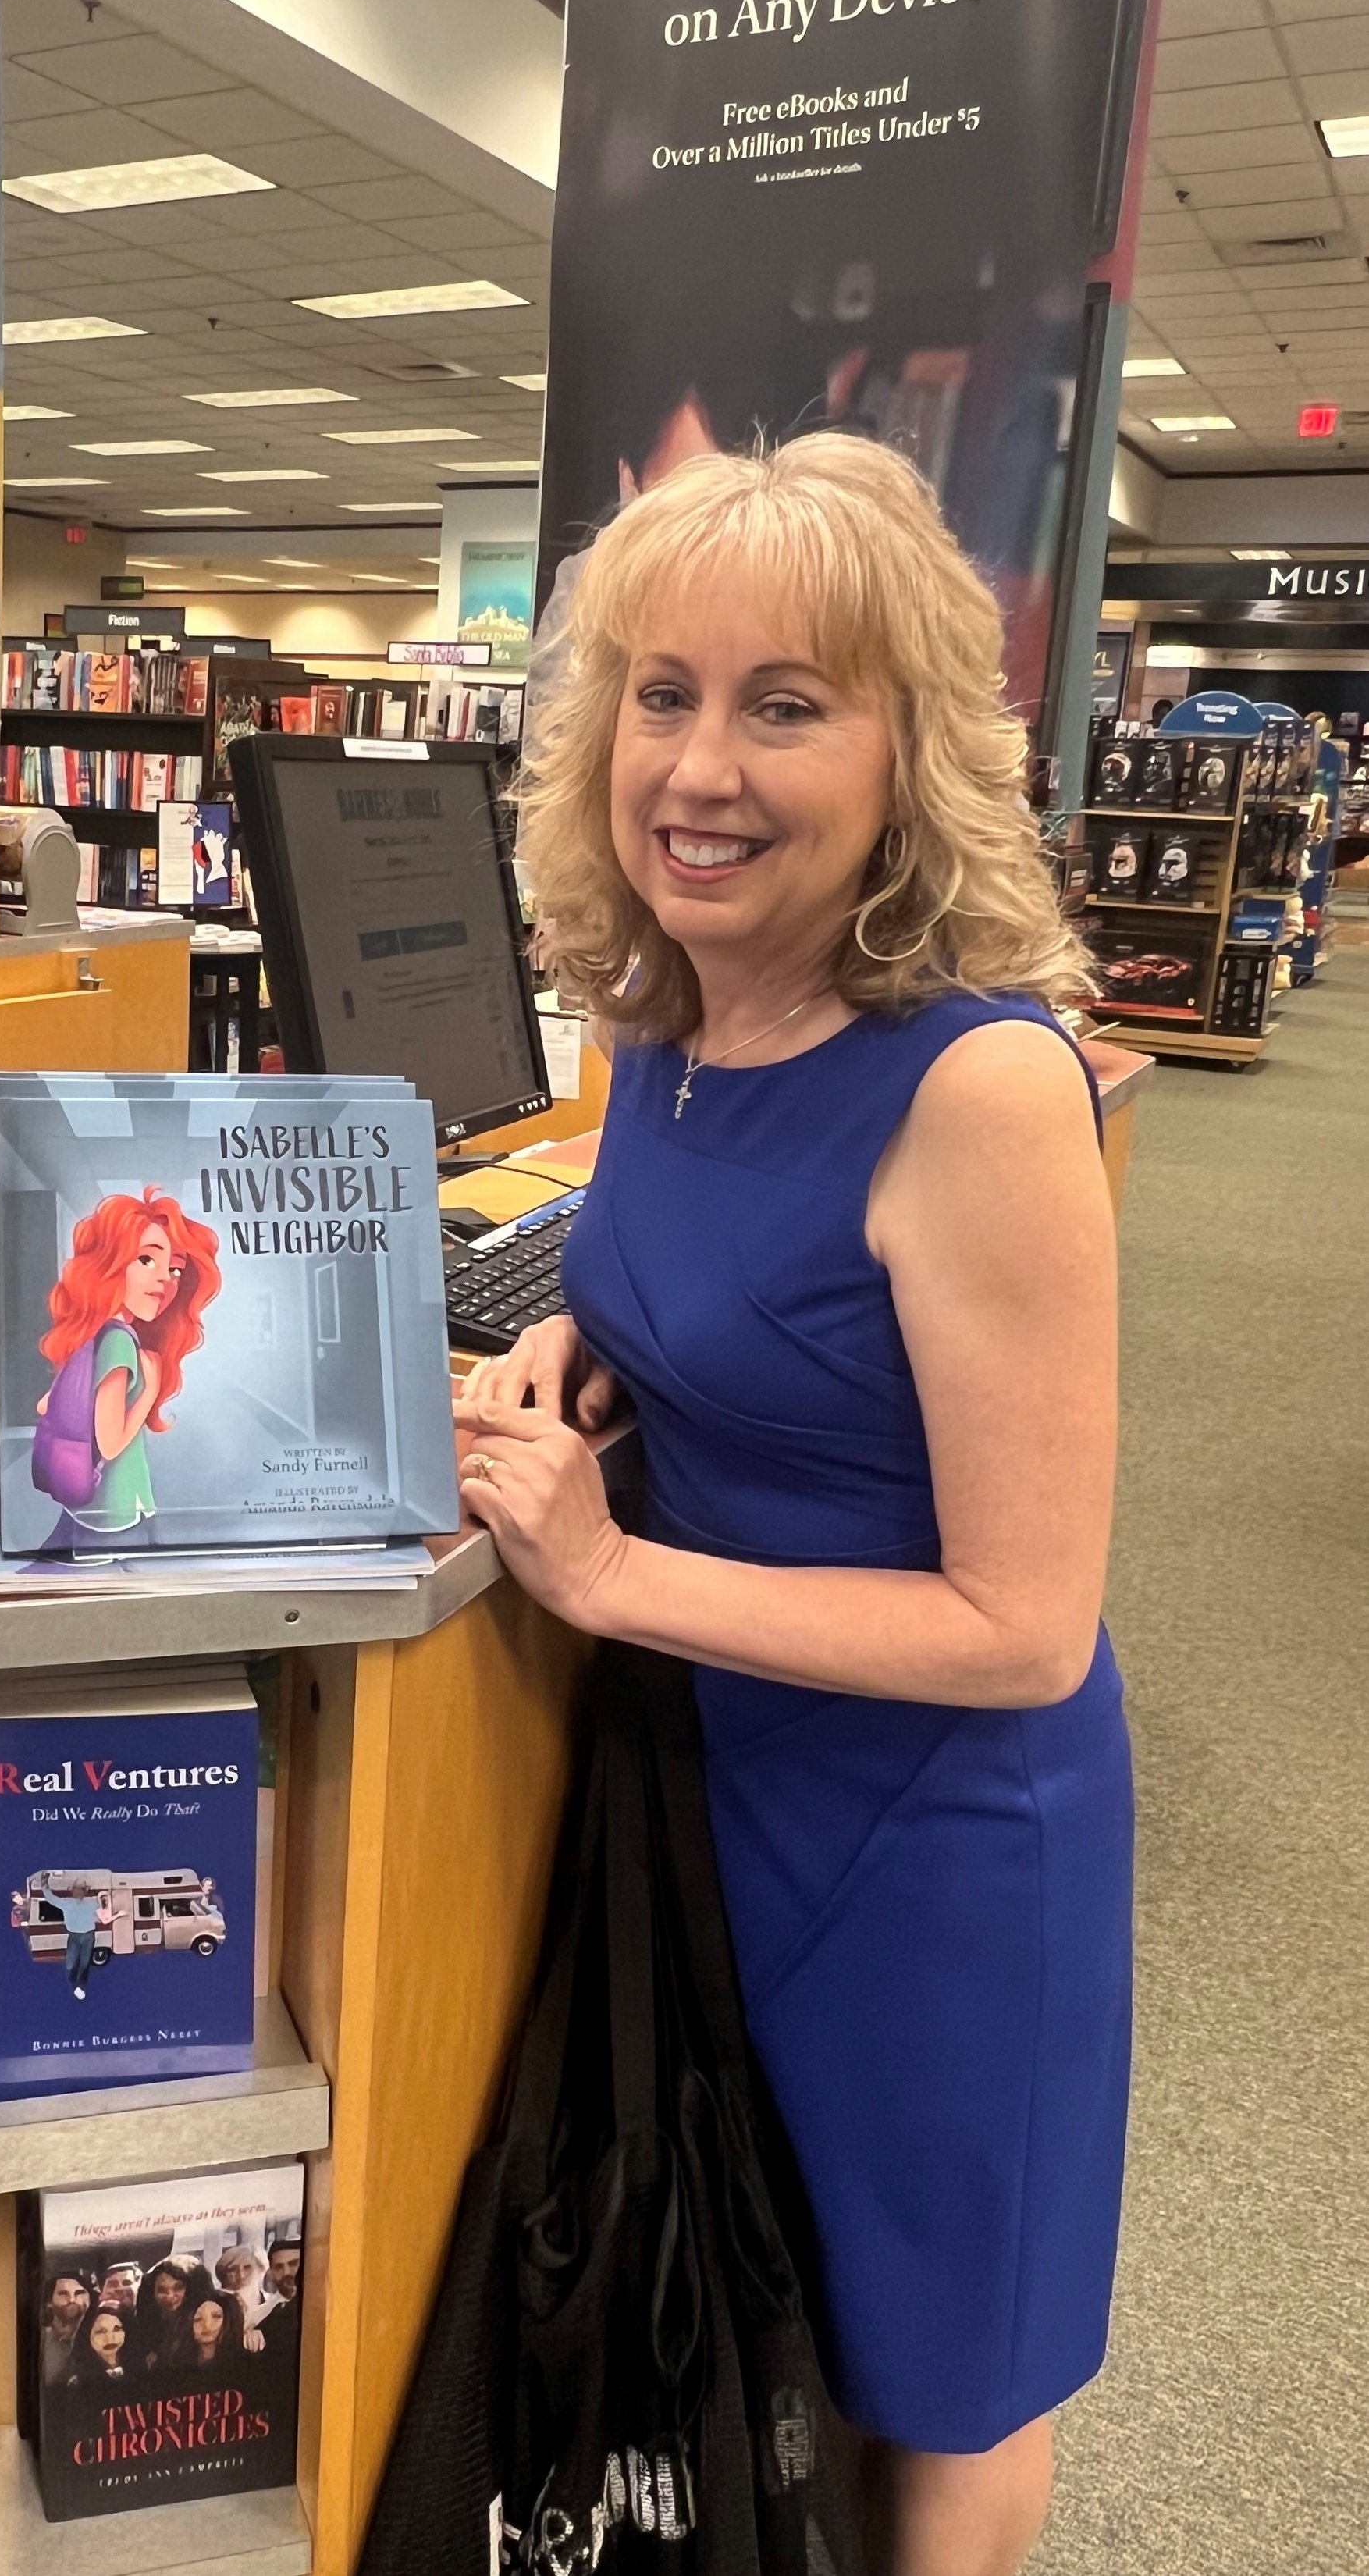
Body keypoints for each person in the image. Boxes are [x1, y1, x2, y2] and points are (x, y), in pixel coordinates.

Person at [458, 434, 1132, 2576]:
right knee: (778, 2329)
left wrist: (608, 1567)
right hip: (719, 1797)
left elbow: (1022, 1624)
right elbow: (725, 1275)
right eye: (661, 693)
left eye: (783, 704)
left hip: (935, 1844)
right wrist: (591, 1344)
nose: (700, 767)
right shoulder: (666, 1013)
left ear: (906, 747)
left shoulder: (979, 1085)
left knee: (940, 2385)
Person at [31, 1189, 222, 1546]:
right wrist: (149, 1391)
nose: (166, 1278)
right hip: (116, 1512)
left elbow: (46, 1406)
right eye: (147, 1260)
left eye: (176, 1269)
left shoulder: (94, 1335)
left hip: (87, 1510)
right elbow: (111, 1444)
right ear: (110, 1265)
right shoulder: (120, 1342)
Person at [140, 2257, 206, 2372]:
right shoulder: (149, 2325)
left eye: (178, 2287)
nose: (170, 2296)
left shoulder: (201, 2323)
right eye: (162, 2290)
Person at [39, 2269, 95, 2389]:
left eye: (79, 2293)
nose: (72, 2300)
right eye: (63, 2294)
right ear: (49, 2302)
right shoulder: (40, 2340)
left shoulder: (101, 2336)